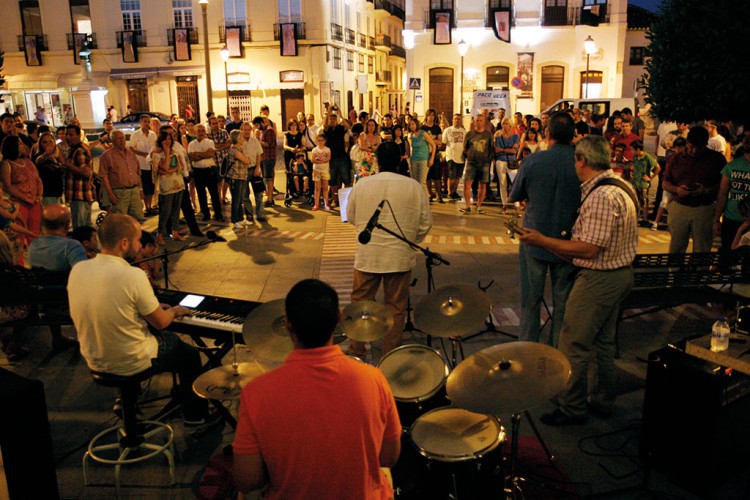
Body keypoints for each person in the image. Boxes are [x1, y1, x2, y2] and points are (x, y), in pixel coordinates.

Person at [233, 279, 401, 497]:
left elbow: (247, 480)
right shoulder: (373, 378)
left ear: (287, 324)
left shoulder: (256, 392)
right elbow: (388, 457)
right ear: (339, 319)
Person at [519, 135, 639, 425]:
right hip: (619, 274)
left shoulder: (600, 196)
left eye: (575, 159)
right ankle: (602, 399)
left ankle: (572, 407)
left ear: (582, 160)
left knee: (573, 342)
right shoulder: (619, 186)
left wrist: (542, 241)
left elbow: (589, 248)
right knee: (604, 342)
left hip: (600, 279)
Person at [68, 214, 218, 428]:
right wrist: (174, 311)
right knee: (188, 354)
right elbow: (160, 322)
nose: (140, 246)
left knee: (134, 336)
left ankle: (127, 400)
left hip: (94, 358)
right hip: (130, 361)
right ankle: (195, 415)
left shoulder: (79, 269)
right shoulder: (132, 275)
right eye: (138, 240)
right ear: (124, 243)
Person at [347, 142, 433, 357]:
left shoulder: (362, 185)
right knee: (395, 308)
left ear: (378, 160)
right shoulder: (413, 186)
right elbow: (425, 223)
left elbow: (352, 217)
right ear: (400, 160)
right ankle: (389, 355)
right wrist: (409, 240)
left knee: (360, 304)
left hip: (368, 255)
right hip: (399, 257)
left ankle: (357, 351)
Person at [509, 112, 580, 345]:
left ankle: (527, 348)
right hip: (569, 242)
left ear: (547, 134)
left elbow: (515, 195)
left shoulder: (533, 160)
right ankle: (558, 351)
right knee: (564, 302)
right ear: (574, 135)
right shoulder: (581, 162)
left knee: (530, 301)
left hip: (534, 238)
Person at [663, 126, 726, 254]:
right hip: (679, 206)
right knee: (676, 246)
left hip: (704, 208)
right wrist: (677, 189)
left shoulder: (716, 159)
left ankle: (700, 273)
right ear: (687, 143)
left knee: (702, 248)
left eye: (700, 147)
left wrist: (706, 190)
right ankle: (674, 273)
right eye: (692, 146)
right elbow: (665, 183)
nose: (695, 151)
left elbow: (723, 186)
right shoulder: (676, 158)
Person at [1, 136, 43, 241]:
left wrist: (39, 195)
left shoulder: (27, 161)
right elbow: (8, 186)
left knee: (34, 233)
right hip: (18, 203)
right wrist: (25, 198)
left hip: (34, 202)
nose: (23, 145)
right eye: (19, 144)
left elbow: (37, 179)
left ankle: (33, 255)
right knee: (19, 235)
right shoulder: (6, 164)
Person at [714, 129, 750, 251]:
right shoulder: (732, 165)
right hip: (731, 220)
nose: (746, 140)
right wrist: (716, 220)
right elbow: (723, 193)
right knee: (727, 257)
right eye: (744, 137)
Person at [98, 130, 143, 219]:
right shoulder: (107, 156)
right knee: (120, 220)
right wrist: (110, 195)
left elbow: (137, 174)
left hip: (134, 191)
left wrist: (140, 190)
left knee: (137, 219)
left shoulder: (131, 155)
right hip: (119, 193)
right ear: (113, 141)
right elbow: (104, 177)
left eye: (123, 138)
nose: (122, 140)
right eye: (119, 139)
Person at [151, 131, 186, 244]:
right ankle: (160, 235)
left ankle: (175, 232)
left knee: (176, 211)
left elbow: (180, 167)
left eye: (169, 139)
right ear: (160, 141)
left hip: (178, 185)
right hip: (166, 188)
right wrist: (166, 154)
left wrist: (168, 170)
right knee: (165, 212)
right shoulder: (157, 154)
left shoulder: (175, 152)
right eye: (165, 139)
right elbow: (165, 168)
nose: (167, 141)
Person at [188, 124, 224, 222]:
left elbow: (211, 154)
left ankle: (218, 214)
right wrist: (204, 154)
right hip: (198, 171)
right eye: (198, 131)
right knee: (201, 194)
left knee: (214, 193)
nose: (201, 133)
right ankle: (205, 214)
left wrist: (197, 154)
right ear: (195, 132)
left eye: (202, 130)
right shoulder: (192, 144)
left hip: (209, 170)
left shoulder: (210, 142)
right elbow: (191, 157)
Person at [460, 114, 493, 215]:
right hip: (471, 163)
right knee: (467, 184)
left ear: (484, 122)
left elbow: (491, 148)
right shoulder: (469, 134)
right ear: (474, 122)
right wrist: (470, 155)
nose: (478, 122)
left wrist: (488, 159)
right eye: (477, 120)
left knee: (483, 185)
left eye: (480, 120)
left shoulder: (488, 135)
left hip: (484, 163)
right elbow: (465, 148)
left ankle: (479, 206)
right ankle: (467, 206)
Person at [64, 129, 95, 229]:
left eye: (71, 134)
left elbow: (86, 172)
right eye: (66, 134)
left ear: (78, 136)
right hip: (76, 195)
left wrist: (67, 164)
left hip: (80, 195)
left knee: (80, 229)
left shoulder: (80, 151)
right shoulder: (72, 150)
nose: (68, 137)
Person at [129, 115, 157, 215]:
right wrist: (143, 154)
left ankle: (150, 206)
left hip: (151, 164)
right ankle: (146, 206)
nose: (146, 123)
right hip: (141, 164)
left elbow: (155, 147)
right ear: (141, 122)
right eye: (145, 121)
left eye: (148, 121)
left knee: (151, 187)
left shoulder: (153, 135)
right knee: (144, 186)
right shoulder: (136, 135)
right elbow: (131, 148)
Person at [493, 117, 520, 213]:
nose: (505, 125)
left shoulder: (515, 136)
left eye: (507, 123)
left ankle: (517, 205)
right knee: (502, 183)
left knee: (514, 182)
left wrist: (503, 150)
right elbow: (496, 150)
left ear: (510, 125)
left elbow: (514, 150)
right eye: (503, 123)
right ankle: (504, 204)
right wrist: (508, 150)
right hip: (500, 161)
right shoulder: (498, 137)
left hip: (511, 162)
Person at [33, 132, 65, 207]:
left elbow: (64, 168)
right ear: (40, 144)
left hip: (58, 193)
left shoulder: (57, 155)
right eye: (45, 142)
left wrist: (58, 162)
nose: (48, 144)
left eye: (50, 141)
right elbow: (38, 161)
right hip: (47, 193)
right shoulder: (39, 155)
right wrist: (46, 154)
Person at [630, 140, 659, 220]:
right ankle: (637, 217)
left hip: (643, 183)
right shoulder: (635, 157)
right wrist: (632, 173)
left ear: (638, 149)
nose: (631, 151)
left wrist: (651, 178)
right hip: (635, 182)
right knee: (636, 200)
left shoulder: (647, 157)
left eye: (632, 149)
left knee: (644, 201)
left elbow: (658, 168)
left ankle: (645, 219)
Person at [407, 117, 436, 198]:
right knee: (415, 182)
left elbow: (433, 145)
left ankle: (425, 200)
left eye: (413, 124)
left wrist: (431, 158)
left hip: (424, 159)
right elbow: (410, 148)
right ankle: (417, 199)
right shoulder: (410, 136)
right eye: (410, 125)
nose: (412, 126)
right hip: (414, 160)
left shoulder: (423, 133)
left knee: (422, 182)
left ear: (416, 124)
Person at [442, 114, 466, 200]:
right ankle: (449, 192)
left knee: (457, 177)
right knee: (451, 175)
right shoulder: (447, 130)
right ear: (452, 120)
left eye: (459, 119)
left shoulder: (463, 131)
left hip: (461, 157)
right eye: (455, 119)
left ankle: (454, 192)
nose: (457, 120)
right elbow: (443, 143)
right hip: (451, 156)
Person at [311, 134, 331, 211]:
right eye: (319, 140)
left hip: (325, 170)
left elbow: (328, 158)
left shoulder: (327, 149)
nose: (320, 142)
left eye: (322, 140)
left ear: (325, 141)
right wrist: (322, 160)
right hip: (317, 170)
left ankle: (326, 203)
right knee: (317, 188)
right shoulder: (315, 150)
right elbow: (313, 160)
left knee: (325, 188)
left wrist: (320, 160)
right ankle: (316, 204)